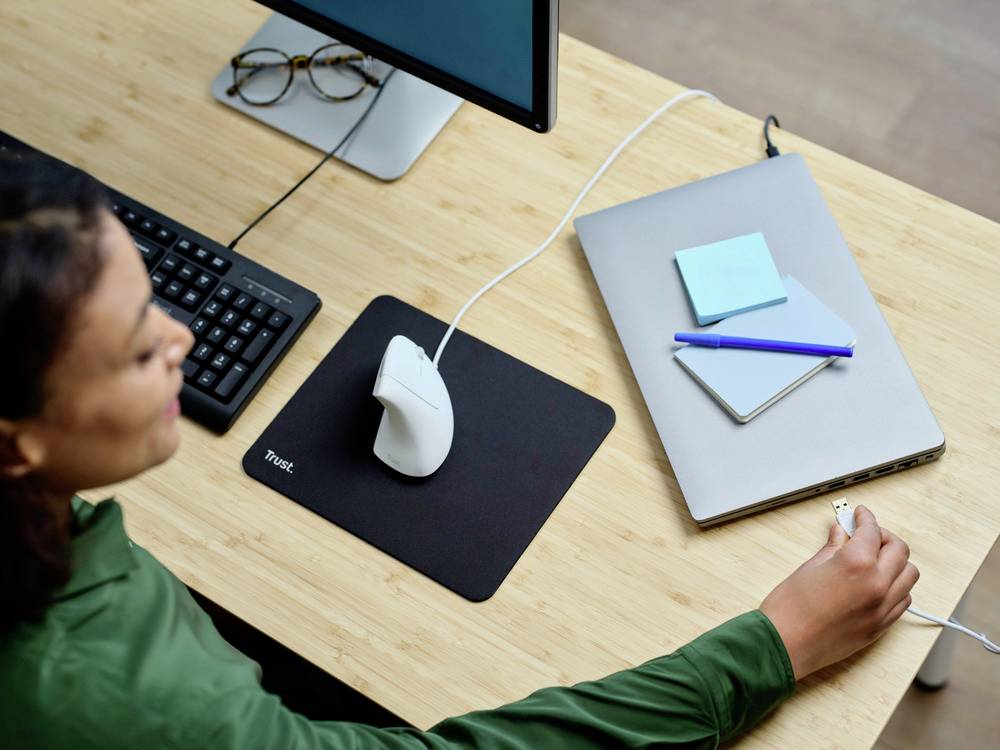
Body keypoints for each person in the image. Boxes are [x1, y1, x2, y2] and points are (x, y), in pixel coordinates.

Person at [0, 157, 919, 749]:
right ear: (18, 442)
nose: (185, 340)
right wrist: (773, 647)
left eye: (159, 298)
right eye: (133, 347)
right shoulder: (116, 696)